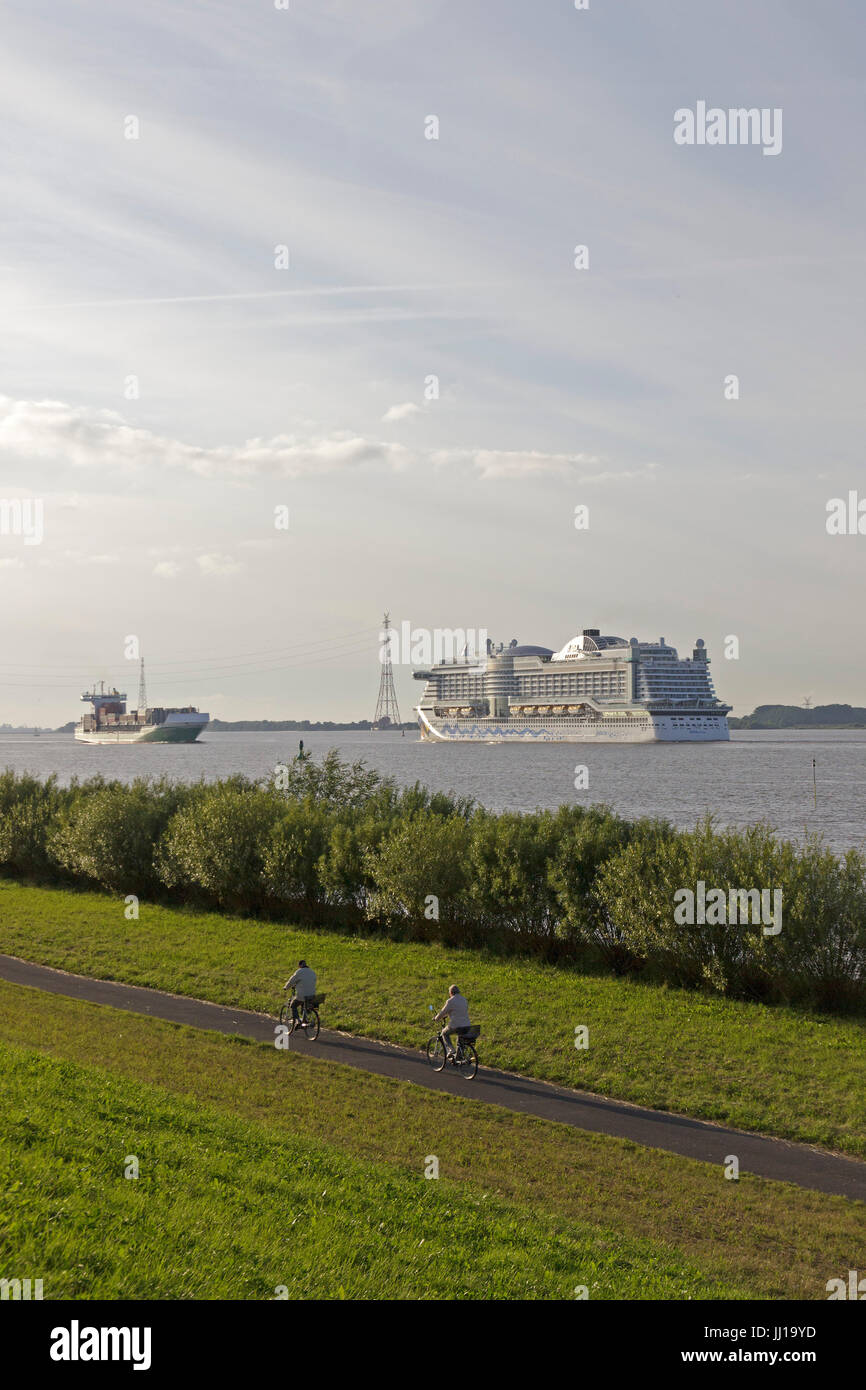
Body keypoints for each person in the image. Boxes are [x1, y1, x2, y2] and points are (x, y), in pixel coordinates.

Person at [434, 985, 471, 1059]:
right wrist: (449, 1014)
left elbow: (442, 1012)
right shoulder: (464, 1000)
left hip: (456, 1025)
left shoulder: (450, 1001)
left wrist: (436, 1018)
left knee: (444, 1033)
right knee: (460, 1041)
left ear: (451, 992)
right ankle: (459, 1057)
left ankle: (451, 1050)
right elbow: (458, 1011)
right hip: (467, 1025)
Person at [283, 959, 317, 1031]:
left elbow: (292, 980)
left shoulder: (299, 971)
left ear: (300, 965)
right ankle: (305, 1019)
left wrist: (286, 987)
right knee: (304, 1005)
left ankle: (298, 1021)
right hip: (312, 995)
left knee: (293, 1005)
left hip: (302, 995)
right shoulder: (312, 971)